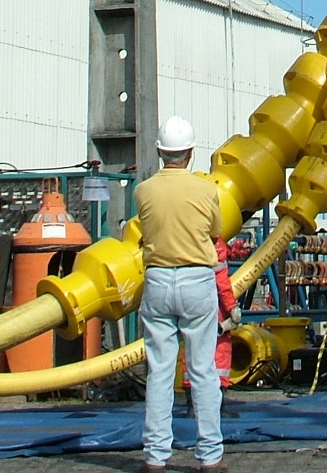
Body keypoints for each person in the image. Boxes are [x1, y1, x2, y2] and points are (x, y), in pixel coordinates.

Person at [134, 116, 228, 472]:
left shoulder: (143, 190)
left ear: (160, 152)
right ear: (191, 153)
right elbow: (216, 231)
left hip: (158, 280)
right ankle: (210, 457)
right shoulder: (206, 190)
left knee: (159, 372)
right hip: (197, 281)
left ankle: (156, 458)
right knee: (202, 369)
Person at [212, 237, 240, 389]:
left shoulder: (187, 240)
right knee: (220, 350)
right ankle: (219, 400)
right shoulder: (217, 246)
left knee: (192, 350)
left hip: (189, 302)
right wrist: (231, 308)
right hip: (213, 306)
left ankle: (191, 402)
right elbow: (222, 282)